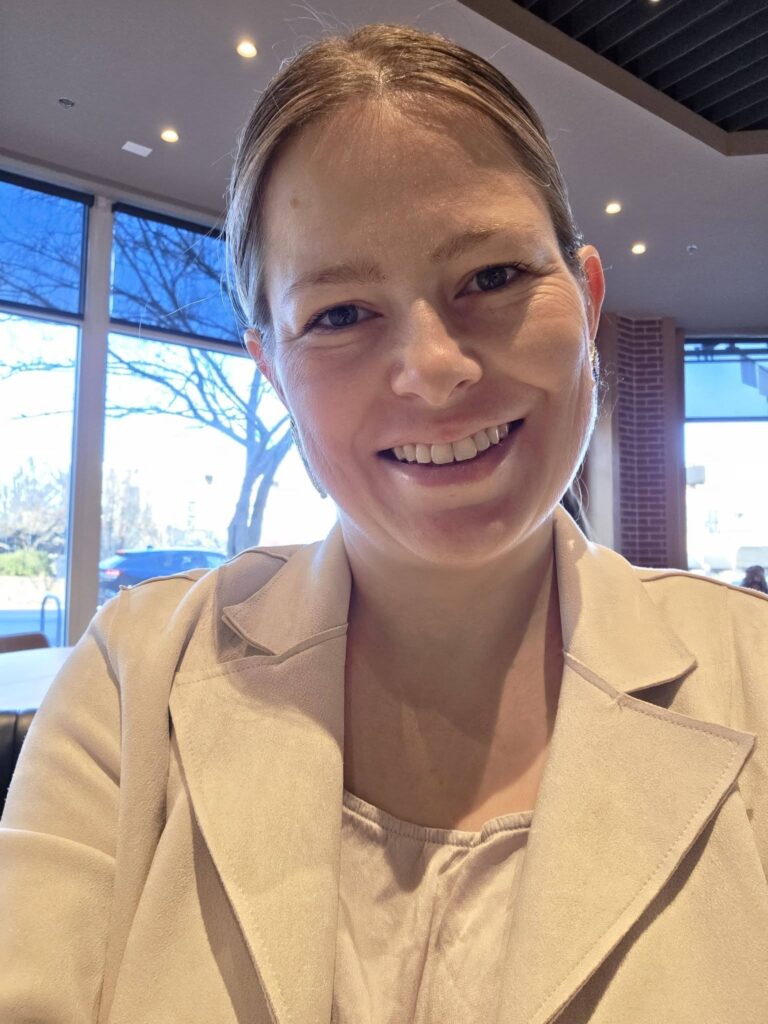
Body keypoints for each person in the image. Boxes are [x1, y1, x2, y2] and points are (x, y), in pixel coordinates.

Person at [2, 23, 768, 1024]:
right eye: (339, 314)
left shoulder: (753, 675)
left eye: (493, 276)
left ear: (584, 303)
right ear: (273, 370)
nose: (434, 368)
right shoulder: (131, 686)